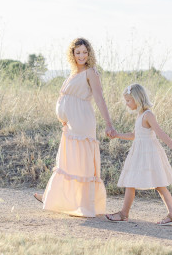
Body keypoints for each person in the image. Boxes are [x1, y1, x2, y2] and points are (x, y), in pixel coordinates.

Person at [34, 37, 116, 217]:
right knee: (67, 162)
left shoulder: (91, 72)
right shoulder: (73, 73)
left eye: (85, 52)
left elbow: (99, 98)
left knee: (80, 163)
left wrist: (109, 124)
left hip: (82, 123)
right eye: (78, 52)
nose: (81, 56)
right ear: (72, 54)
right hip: (70, 124)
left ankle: (82, 204)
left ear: (89, 54)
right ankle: (54, 197)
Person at [105, 84, 172, 225]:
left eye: (128, 101)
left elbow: (160, 133)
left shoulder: (148, 115)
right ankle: (124, 213)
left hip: (149, 153)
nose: (126, 104)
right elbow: (135, 135)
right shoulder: (140, 115)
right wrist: (117, 135)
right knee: (131, 181)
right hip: (139, 152)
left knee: (159, 184)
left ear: (137, 99)